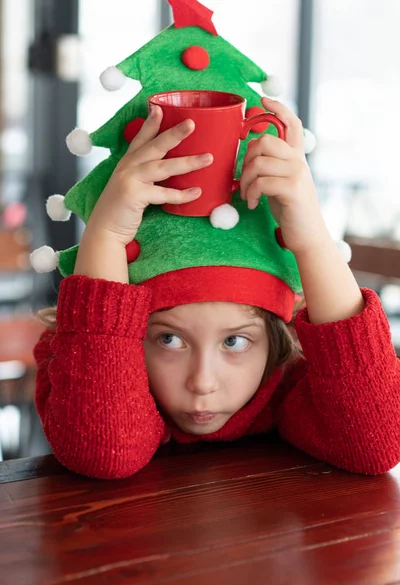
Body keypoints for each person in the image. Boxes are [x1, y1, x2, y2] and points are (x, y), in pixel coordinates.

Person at [34, 97, 400, 479]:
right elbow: (104, 453)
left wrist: (313, 241)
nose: (202, 383)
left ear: (277, 337)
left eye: (234, 342)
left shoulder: (287, 377)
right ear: (123, 328)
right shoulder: (79, 357)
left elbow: (376, 445)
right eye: (168, 340)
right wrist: (107, 238)